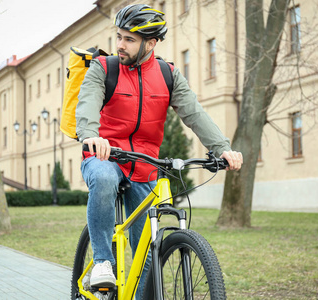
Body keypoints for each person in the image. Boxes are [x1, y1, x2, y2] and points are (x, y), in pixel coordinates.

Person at [76, 3, 243, 298]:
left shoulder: (168, 75)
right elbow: (87, 104)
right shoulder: (104, 68)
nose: (120, 45)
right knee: (103, 179)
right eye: (119, 37)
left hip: (144, 164)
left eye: (129, 39)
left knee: (147, 252)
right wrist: (92, 136)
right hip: (105, 155)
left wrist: (222, 149)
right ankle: (102, 261)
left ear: (151, 43)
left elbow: (194, 113)